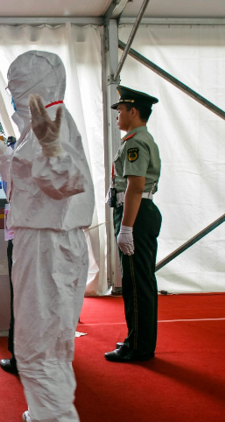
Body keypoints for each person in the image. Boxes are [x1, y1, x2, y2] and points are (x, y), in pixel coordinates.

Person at [0, 51, 94, 422]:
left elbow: (66, 180)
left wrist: (49, 148)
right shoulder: (39, 127)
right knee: (51, 339)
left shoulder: (52, 123)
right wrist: (5, 151)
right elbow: (29, 182)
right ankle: (48, 414)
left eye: (15, 85)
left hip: (47, 244)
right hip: (49, 242)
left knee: (36, 342)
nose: (11, 95)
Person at [104, 86, 162, 363]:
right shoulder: (138, 139)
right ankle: (138, 337)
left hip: (135, 214)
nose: (117, 115)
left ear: (133, 111)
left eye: (121, 110)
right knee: (140, 281)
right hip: (139, 211)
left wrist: (126, 228)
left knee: (137, 284)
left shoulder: (135, 143)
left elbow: (135, 187)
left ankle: (138, 346)